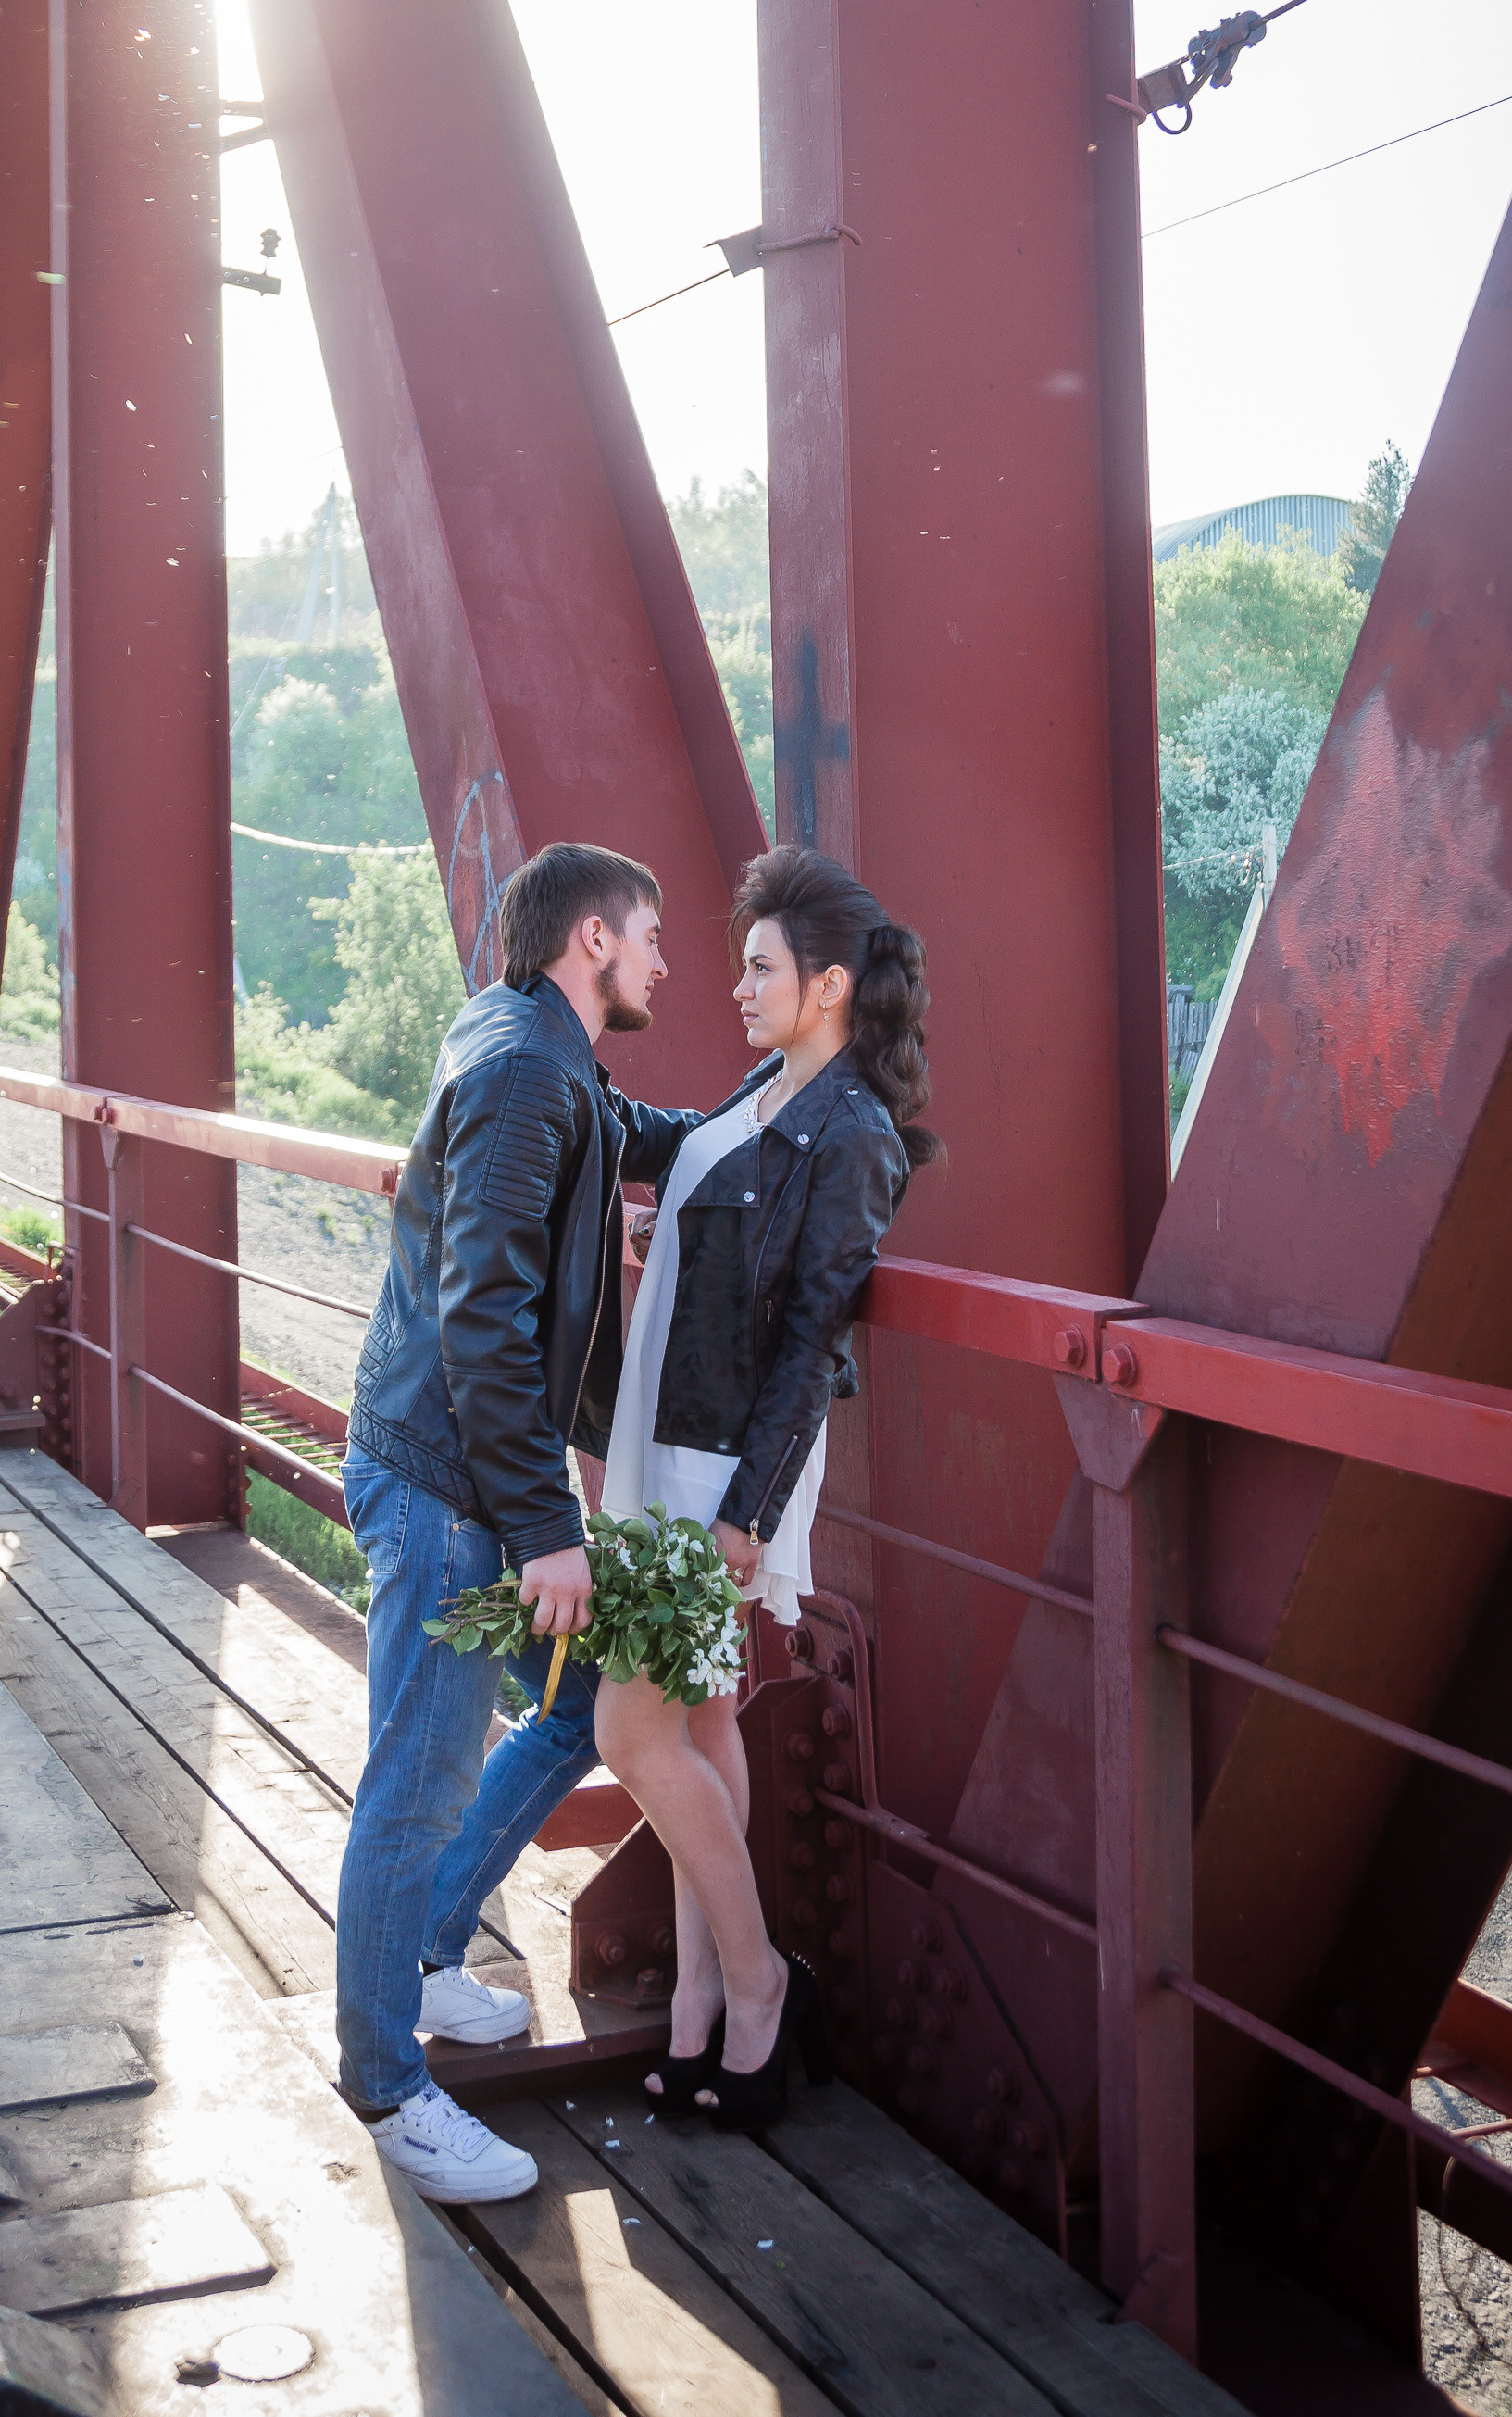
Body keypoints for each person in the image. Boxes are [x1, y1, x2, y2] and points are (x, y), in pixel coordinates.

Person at [336, 842, 703, 2203]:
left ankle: (428, 1959)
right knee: (416, 1781)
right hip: (446, 1484)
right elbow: (482, 1312)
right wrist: (551, 1525)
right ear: (595, 938)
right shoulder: (518, 1069)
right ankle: (385, 2087)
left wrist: (771, 1112)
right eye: (655, 936)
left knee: (579, 1698)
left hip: (467, 1471)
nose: (669, 962)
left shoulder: (536, 1045)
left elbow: (628, 1136)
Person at [593, 843, 938, 2133]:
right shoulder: (772, 1087)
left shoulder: (851, 1134)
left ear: (830, 983)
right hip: (673, 1447)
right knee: (697, 1727)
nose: (735, 986)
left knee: (627, 1736)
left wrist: (744, 1511)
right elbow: (721, 1215)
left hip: (713, 1475)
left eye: (759, 967)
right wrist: (667, 1228)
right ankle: (697, 2008)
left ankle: (756, 1985)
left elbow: (811, 1344)